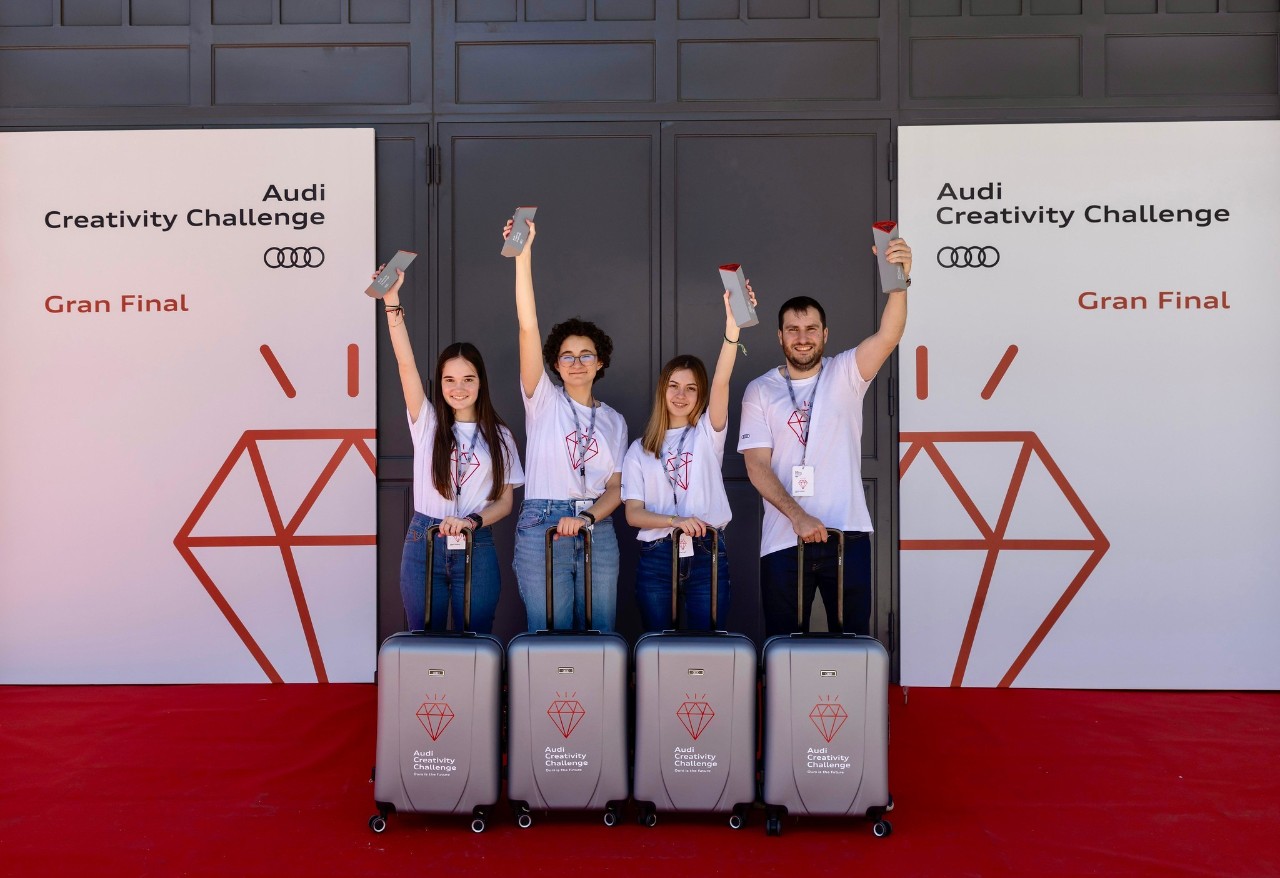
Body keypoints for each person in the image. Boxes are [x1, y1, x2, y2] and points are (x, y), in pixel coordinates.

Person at [738, 238, 912, 638]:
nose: (803, 338)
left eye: (811, 329)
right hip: (783, 542)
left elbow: (889, 334)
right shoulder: (760, 390)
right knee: (782, 650)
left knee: (850, 646)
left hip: (846, 534)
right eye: (793, 330)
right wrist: (798, 517)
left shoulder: (846, 371)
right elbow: (756, 466)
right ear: (780, 336)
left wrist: (899, 280)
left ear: (825, 334)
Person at [378, 265, 524, 634]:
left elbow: (505, 503)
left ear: (480, 382)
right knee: (424, 638)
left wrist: (472, 521)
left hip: (476, 541)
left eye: (468, 379)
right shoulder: (427, 422)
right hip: (424, 541)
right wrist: (392, 303)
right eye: (449, 379)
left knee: (476, 639)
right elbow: (406, 365)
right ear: (440, 384)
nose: (458, 388)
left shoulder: (500, 436)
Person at [503, 217, 627, 632]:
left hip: (596, 527)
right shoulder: (543, 400)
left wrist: (589, 517)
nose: (577, 363)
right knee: (548, 634)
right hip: (544, 521)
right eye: (567, 356)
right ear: (555, 364)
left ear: (600, 362)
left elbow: (616, 488)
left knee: (601, 632)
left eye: (586, 355)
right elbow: (527, 327)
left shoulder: (614, 421)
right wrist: (523, 257)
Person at [621, 286, 755, 631]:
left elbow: (722, 379)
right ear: (662, 390)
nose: (681, 395)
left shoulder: (708, 433)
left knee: (706, 647)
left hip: (707, 552)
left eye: (691, 388)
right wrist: (675, 521)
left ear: (701, 395)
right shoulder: (639, 449)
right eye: (674, 386)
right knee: (656, 648)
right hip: (657, 556)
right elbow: (633, 514)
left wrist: (733, 327)